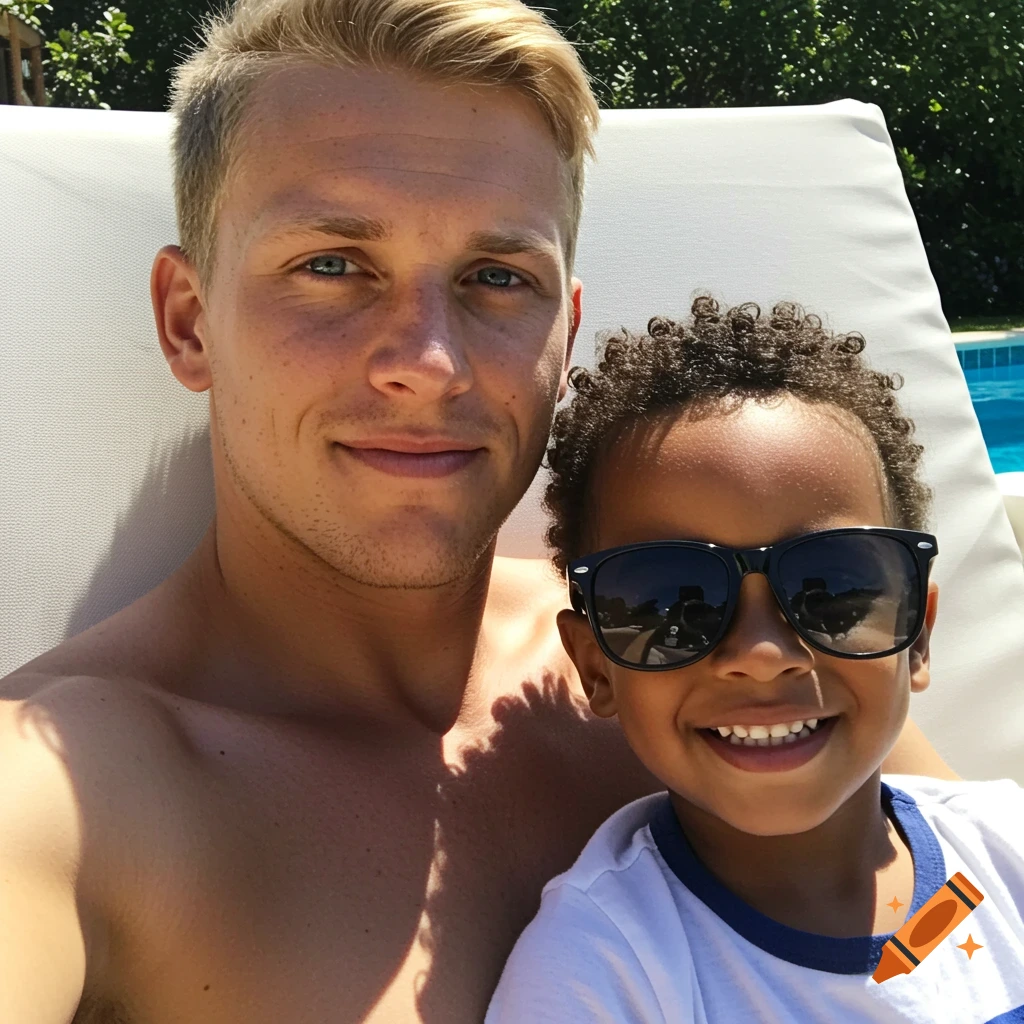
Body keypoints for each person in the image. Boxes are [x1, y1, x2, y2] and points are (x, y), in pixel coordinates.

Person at [0, 2, 954, 1021]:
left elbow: (958, 931)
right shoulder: (63, 804)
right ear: (189, 323)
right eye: (331, 265)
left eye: (498, 279)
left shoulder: (702, 631)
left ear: (563, 331)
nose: (429, 362)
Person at [486, 299, 1024, 1022]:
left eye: (832, 588)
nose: (763, 656)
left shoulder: (1006, 850)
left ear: (917, 633)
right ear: (595, 668)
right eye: (672, 604)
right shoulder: (604, 969)